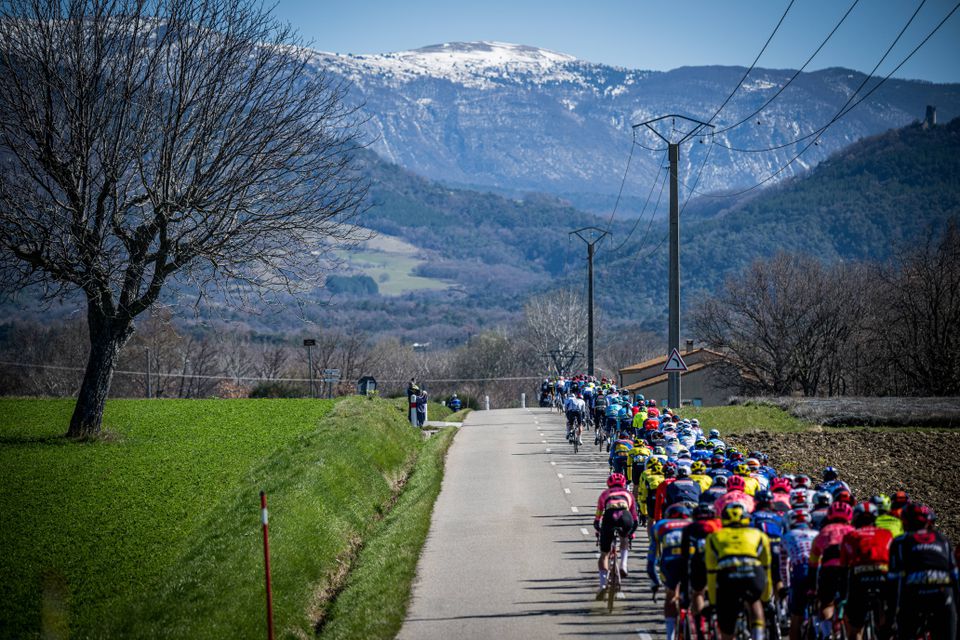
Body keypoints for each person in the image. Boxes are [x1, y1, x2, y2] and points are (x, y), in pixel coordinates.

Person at [888, 503, 958, 640]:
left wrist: (890, 616)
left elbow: (894, 581)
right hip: (943, 594)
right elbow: (955, 577)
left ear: (905, 522)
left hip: (914, 595)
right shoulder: (943, 540)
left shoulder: (900, 541)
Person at [705, 503, 773, 640]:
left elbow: (711, 573)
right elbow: (767, 569)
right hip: (753, 572)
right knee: (755, 601)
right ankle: (758, 635)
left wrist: (713, 602)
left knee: (727, 620)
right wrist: (766, 599)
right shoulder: (759, 535)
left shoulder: (713, 537)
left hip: (728, 574)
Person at [839, 502, 893, 640]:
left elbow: (844, 567)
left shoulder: (851, 536)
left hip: (859, 578)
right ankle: (884, 622)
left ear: (856, 518)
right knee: (888, 617)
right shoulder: (886, 534)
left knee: (856, 628)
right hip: (883, 576)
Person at [809, 501, 855, 640]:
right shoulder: (853, 531)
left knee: (827, 604)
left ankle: (827, 632)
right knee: (849, 606)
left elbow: (813, 562)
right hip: (848, 570)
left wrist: (812, 587)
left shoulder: (824, 532)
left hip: (829, 570)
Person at [649, 504, 693, 640]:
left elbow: (651, 561)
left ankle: (670, 635)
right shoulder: (694, 524)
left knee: (670, 595)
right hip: (691, 563)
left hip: (670, 563)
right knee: (698, 593)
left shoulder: (661, 525)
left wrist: (655, 582)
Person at [593, 473, 639, 600]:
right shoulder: (628, 494)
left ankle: (603, 585)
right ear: (624, 484)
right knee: (624, 539)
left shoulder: (605, 494)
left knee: (604, 554)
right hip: (625, 517)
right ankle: (623, 565)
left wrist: (598, 527)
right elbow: (635, 517)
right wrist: (631, 532)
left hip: (609, 517)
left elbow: (598, 515)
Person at [680, 504, 721, 634]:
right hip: (717, 564)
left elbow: (684, 556)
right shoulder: (718, 525)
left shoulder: (689, 528)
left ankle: (699, 626)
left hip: (698, 562)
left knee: (698, 593)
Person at [780, 509, 818, 640]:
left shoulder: (787, 537)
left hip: (799, 571)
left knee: (796, 616)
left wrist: (786, 585)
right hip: (818, 570)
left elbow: (784, 566)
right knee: (826, 606)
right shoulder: (816, 534)